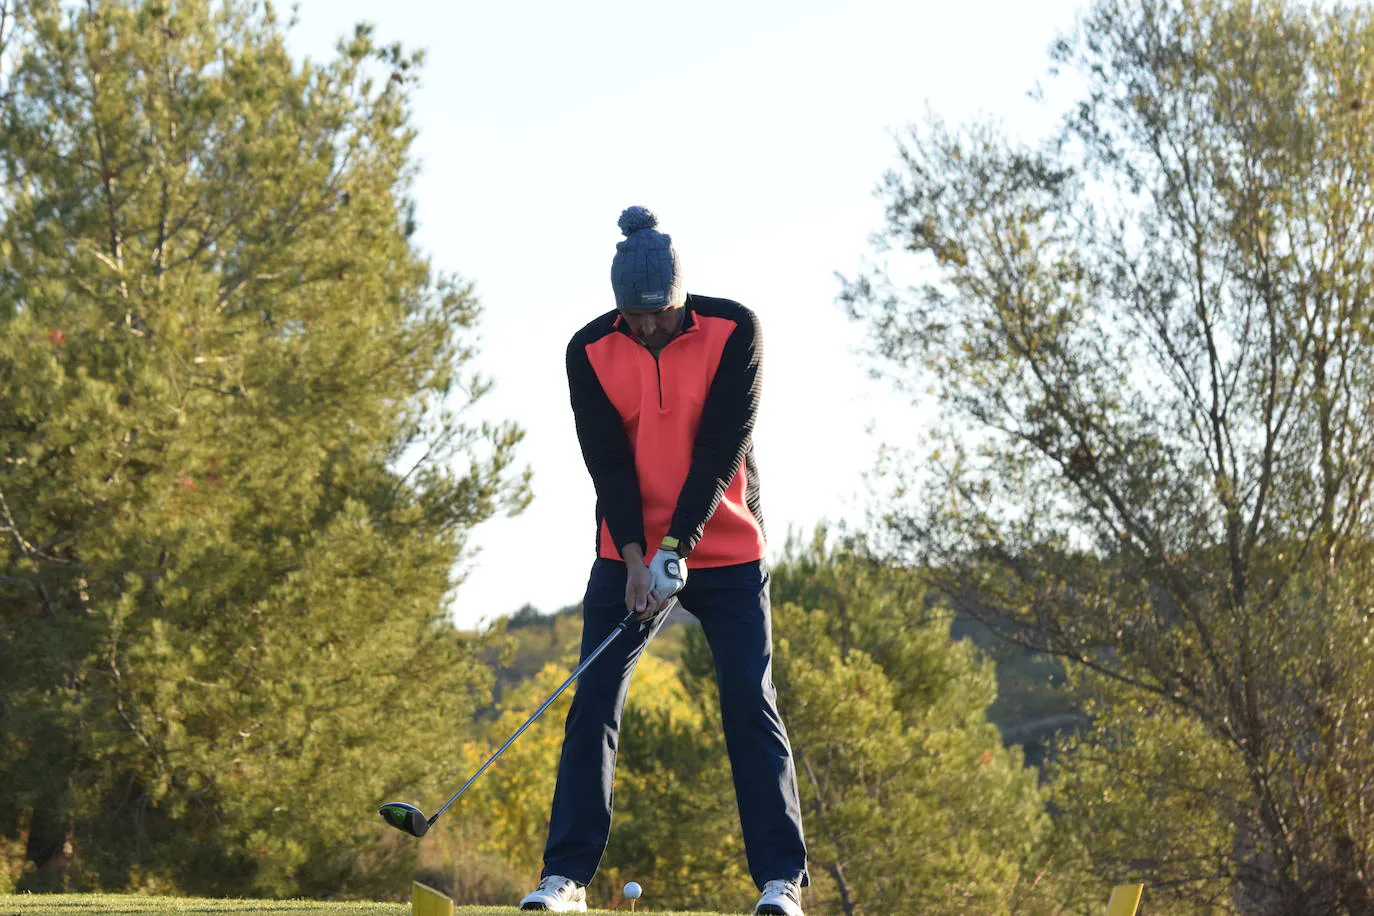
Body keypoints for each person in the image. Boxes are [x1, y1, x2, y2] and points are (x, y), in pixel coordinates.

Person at [518, 207, 808, 915]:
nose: (647, 327)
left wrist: (677, 547)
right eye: (634, 314)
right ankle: (566, 879)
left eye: (660, 313)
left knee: (748, 701)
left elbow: (720, 449)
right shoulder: (588, 349)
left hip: (729, 546)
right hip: (629, 552)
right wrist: (636, 556)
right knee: (596, 700)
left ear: (682, 296)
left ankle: (781, 882)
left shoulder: (737, 329)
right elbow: (607, 463)